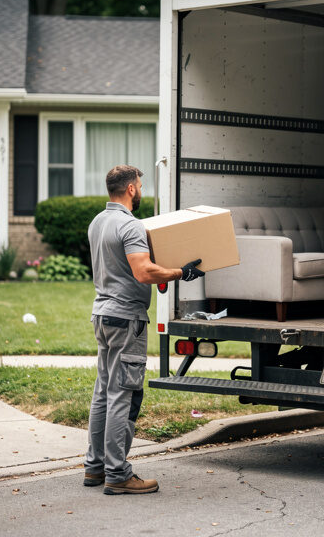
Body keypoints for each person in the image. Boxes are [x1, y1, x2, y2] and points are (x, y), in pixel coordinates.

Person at [83, 164, 204, 495]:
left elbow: (124, 268)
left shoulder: (98, 222)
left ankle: (95, 467)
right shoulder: (130, 225)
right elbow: (142, 271)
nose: (142, 190)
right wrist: (180, 273)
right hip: (127, 320)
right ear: (131, 189)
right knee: (123, 392)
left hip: (103, 315)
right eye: (140, 185)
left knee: (104, 392)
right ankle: (118, 473)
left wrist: (162, 272)